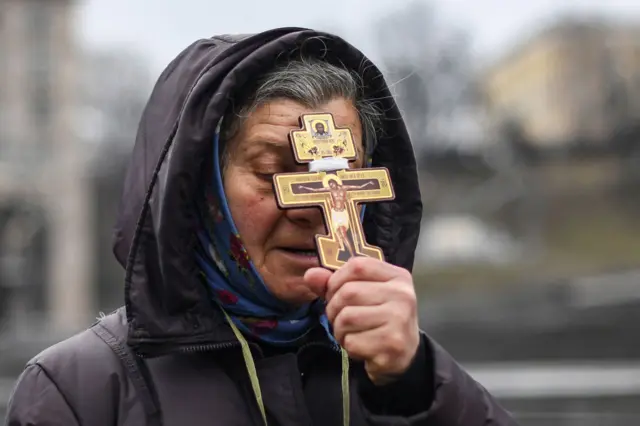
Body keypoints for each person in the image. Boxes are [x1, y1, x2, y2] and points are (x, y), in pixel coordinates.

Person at [5, 28, 519, 426]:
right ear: (198, 188)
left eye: (345, 175)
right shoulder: (80, 391)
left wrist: (412, 384)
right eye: (275, 173)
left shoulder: (407, 371)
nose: (317, 208)